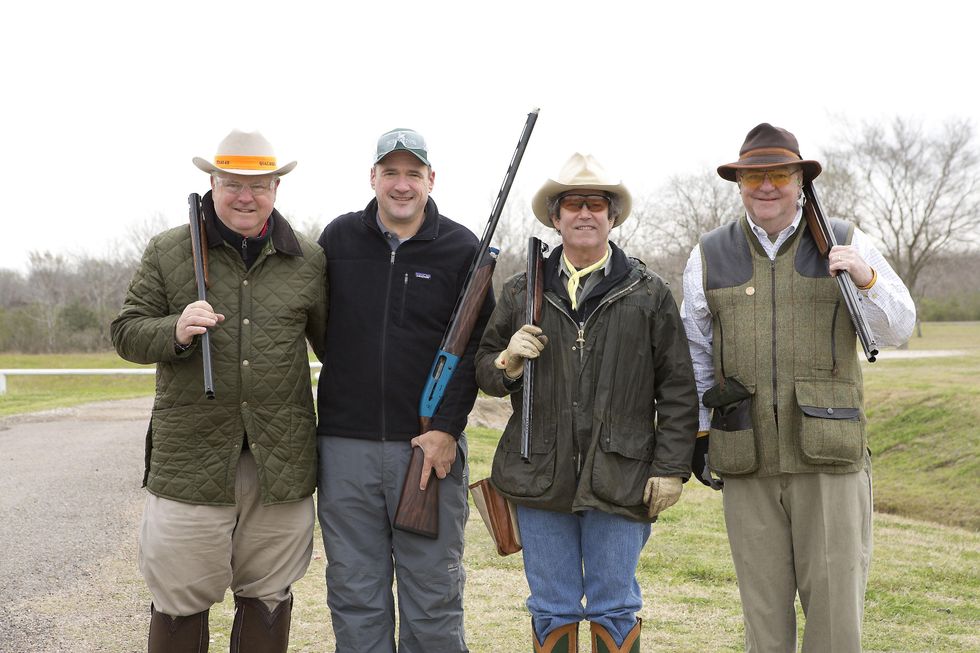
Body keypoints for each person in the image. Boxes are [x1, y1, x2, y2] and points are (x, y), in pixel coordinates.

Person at [681, 123, 916, 652]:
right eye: (754, 175)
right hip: (746, 457)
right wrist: (700, 434)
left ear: (800, 180)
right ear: (738, 182)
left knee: (835, 621)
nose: (767, 186)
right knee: (762, 622)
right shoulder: (709, 254)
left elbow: (899, 327)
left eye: (780, 174)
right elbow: (695, 351)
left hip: (829, 461)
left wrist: (865, 277)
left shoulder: (845, 240)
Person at [111, 129, 328, 652]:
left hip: (281, 460)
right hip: (191, 458)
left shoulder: (309, 260)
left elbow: (337, 350)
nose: (245, 196)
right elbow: (125, 331)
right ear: (212, 182)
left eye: (259, 185)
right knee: (179, 596)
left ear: (276, 188)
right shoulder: (168, 251)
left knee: (270, 594)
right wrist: (174, 329)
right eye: (233, 183)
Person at [475, 153, 699, 653]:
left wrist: (670, 468)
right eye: (572, 203)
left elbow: (679, 390)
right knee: (551, 609)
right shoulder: (520, 291)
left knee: (615, 610)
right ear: (555, 218)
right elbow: (484, 372)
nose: (584, 213)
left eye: (596, 203)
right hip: (538, 475)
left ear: (612, 216)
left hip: (621, 476)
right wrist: (507, 360)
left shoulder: (649, 293)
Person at [314, 128, 492, 653]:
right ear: (373, 178)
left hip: (429, 449)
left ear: (430, 180)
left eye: (412, 173)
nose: (401, 184)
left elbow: (472, 351)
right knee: (354, 592)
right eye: (390, 172)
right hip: (346, 447)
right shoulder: (338, 240)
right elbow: (321, 326)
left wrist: (444, 430)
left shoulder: (464, 250)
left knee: (433, 595)